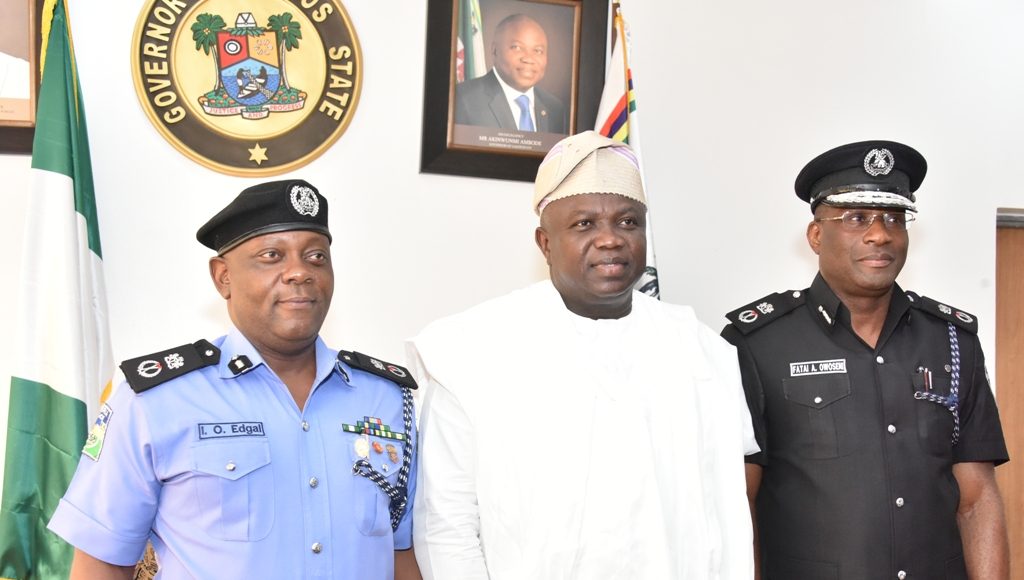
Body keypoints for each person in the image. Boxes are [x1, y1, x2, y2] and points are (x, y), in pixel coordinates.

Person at [409, 131, 757, 579]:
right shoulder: (470, 350)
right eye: (584, 224)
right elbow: (446, 525)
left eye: (628, 222)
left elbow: (729, 514)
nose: (610, 239)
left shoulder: (701, 350)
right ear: (545, 242)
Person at [47, 180, 422, 579]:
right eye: (272, 256)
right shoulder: (156, 400)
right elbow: (101, 562)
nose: (299, 272)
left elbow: (402, 553)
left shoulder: (385, 397)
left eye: (316, 257)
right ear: (223, 276)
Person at [722, 141, 1010, 579]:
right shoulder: (758, 343)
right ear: (816, 235)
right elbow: (738, 504)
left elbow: (977, 500)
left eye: (894, 218)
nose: (880, 234)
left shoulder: (952, 340)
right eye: (856, 218)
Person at [454, 13, 567, 133]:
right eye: (517, 47)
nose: (528, 59)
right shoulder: (462, 98)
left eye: (538, 51)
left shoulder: (555, 108)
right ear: (495, 50)